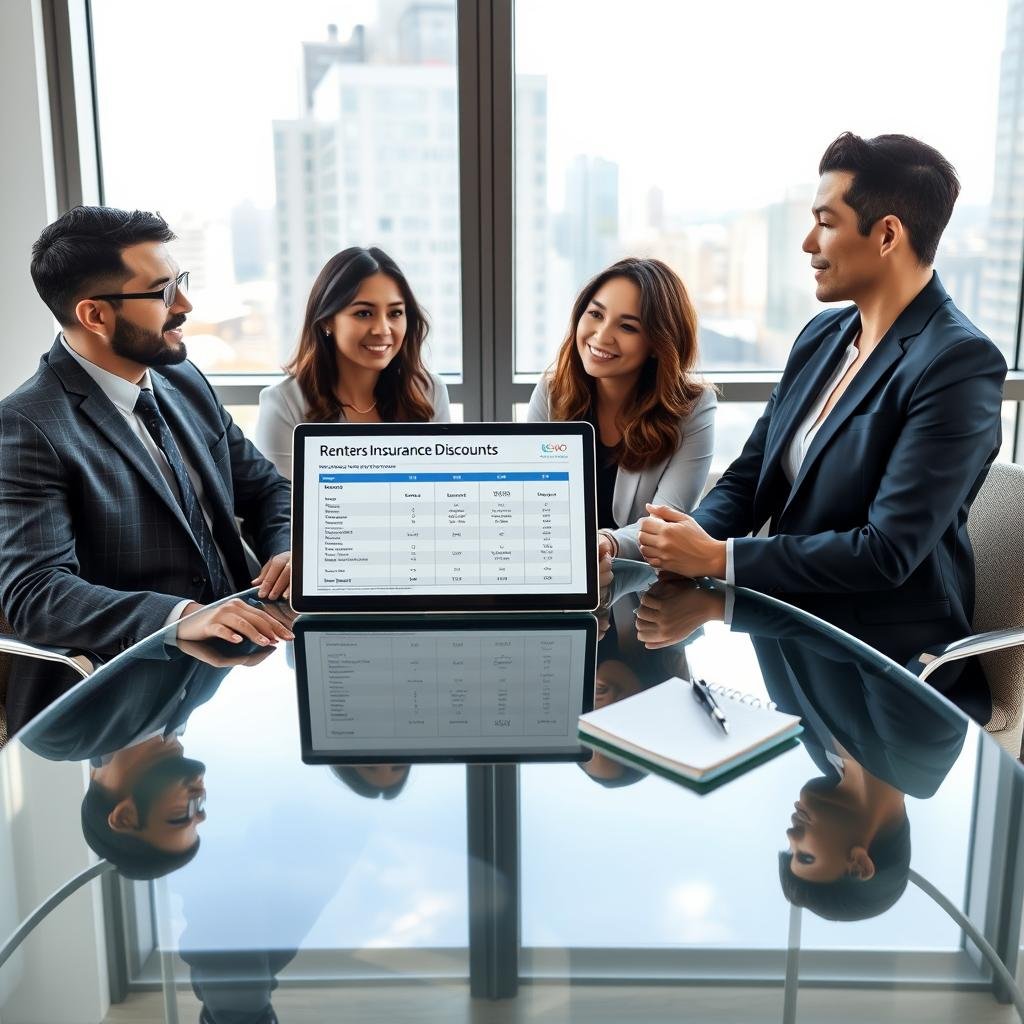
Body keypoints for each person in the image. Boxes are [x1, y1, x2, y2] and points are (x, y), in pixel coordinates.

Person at [637, 133, 1007, 712]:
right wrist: (682, 544)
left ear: (887, 234)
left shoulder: (958, 364)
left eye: (826, 222)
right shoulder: (822, 337)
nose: (809, 242)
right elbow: (750, 475)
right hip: (785, 627)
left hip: (886, 664)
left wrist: (716, 558)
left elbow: (887, 552)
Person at [0, 206, 295, 676]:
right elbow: (36, 593)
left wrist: (285, 550)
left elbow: (266, 489)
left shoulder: (183, 379)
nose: (185, 306)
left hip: (252, 647)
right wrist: (180, 618)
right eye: (163, 292)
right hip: (142, 673)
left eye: (182, 283)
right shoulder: (27, 425)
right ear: (94, 314)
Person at [527, 257, 716, 568]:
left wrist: (608, 543)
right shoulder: (552, 392)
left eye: (627, 326)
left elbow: (665, 524)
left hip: (644, 593)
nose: (601, 336)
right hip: (558, 571)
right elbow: (531, 505)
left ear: (658, 343)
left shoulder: (692, 408)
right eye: (596, 314)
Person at [255, 246, 450, 480]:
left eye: (395, 313)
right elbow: (281, 505)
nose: (382, 329)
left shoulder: (430, 392)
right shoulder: (284, 403)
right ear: (327, 321)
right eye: (364, 313)